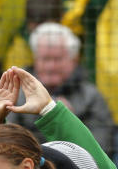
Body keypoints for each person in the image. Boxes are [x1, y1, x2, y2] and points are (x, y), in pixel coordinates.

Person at [6, 22, 115, 155]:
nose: (51, 66)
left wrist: (70, 124)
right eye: (45, 59)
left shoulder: (91, 96)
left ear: (73, 61)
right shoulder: (17, 92)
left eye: (57, 59)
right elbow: (6, 141)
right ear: (35, 60)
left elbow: (102, 150)